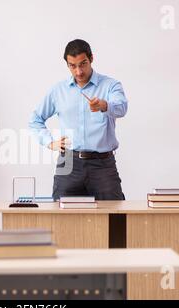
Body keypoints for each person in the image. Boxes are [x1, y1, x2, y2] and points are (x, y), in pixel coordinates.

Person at [29, 39, 128, 201]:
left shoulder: (111, 85)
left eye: (83, 64)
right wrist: (49, 142)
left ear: (91, 59)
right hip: (68, 163)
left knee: (114, 218)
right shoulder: (58, 91)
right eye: (72, 66)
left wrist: (104, 105)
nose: (78, 72)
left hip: (103, 165)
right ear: (67, 64)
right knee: (62, 219)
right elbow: (35, 120)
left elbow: (122, 107)